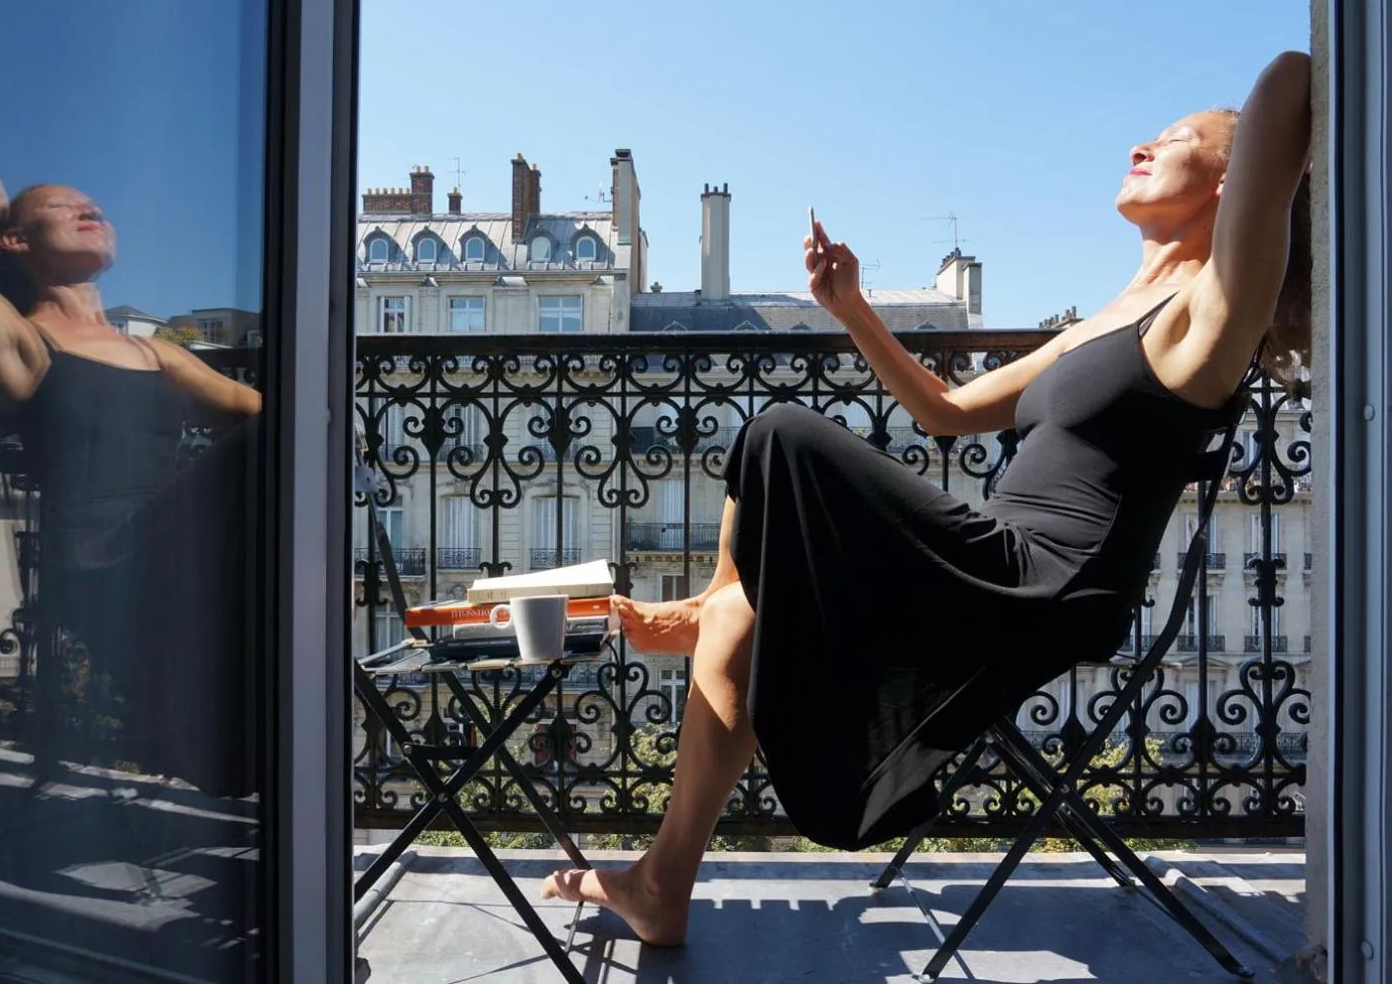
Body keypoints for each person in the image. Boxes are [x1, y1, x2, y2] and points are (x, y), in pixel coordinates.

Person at [541, 50, 1314, 945]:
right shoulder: (1105, 320)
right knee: (737, 626)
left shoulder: (1208, 311)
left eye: (1177, 139)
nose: (1142, 143)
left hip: (1044, 582)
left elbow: (1292, 77)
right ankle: (659, 883)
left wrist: (1278, 152)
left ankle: (710, 596)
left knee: (779, 432)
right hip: (987, 551)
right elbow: (944, 414)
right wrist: (851, 305)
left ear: (1232, 181)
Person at [0, 169, 262, 796]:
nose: (89, 208)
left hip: (167, 536)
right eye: (62, 206)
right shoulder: (18, 336)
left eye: (93, 204)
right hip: (100, 549)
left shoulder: (156, 352)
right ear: (17, 241)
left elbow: (264, 412)